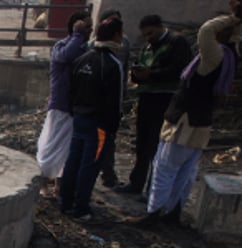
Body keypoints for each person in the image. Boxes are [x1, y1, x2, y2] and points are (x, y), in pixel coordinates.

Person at [139, 1, 242, 226]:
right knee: (186, 172)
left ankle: (154, 214)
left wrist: (233, 20)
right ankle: (173, 212)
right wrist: (238, 18)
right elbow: (233, 36)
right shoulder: (231, 54)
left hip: (185, 121)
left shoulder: (214, 56)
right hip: (201, 121)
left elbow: (206, 30)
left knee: (164, 169)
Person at [58, 15, 124, 222]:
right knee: (90, 164)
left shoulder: (82, 59)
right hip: (99, 124)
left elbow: (71, 91)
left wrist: (74, 111)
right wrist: (112, 127)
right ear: (116, 35)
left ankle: (66, 202)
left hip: (79, 118)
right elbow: (115, 101)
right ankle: (81, 208)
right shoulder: (112, 64)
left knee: (73, 161)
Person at [117, 15, 191, 196]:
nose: (148, 37)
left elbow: (179, 70)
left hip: (165, 99)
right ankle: (136, 183)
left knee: (157, 146)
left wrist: (152, 74)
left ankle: (153, 189)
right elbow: (141, 69)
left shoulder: (176, 42)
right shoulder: (148, 47)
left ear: (160, 27)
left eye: (151, 33)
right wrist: (137, 75)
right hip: (146, 98)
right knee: (142, 144)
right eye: (145, 35)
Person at [35, 12, 91, 193]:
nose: (89, 31)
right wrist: (78, 35)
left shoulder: (85, 48)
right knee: (51, 144)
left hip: (77, 106)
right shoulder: (62, 46)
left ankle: (60, 182)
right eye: (86, 28)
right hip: (61, 103)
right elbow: (66, 56)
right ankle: (42, 181)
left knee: (67, 149)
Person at [95, 10, 131, 189]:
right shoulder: (104, 55)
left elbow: (123, 75)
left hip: (95, 108)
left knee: (102, 143)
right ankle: (106, 176)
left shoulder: (92, 50)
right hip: (102, 108)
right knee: (104, 143)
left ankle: (105, 175)